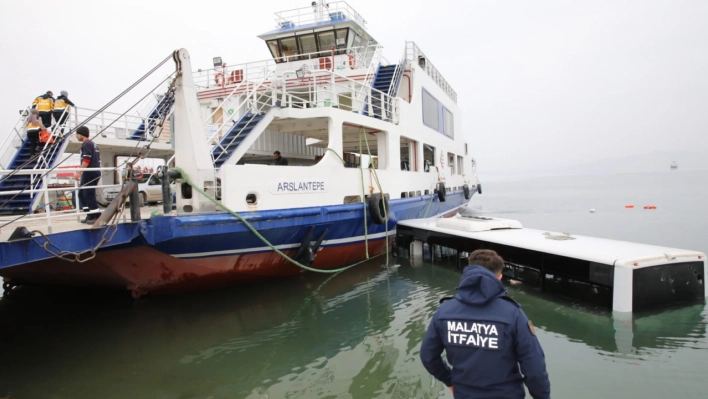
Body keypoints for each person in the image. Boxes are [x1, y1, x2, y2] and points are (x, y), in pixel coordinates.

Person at [420, 249, 551, 399]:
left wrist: (450, 380)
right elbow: (534, 367)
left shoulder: (444, 312)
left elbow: (428, 356)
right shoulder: (513, 313)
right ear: (499, 277)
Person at [74, 126, 102, 223]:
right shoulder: (93, 144)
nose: (76, 136)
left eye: (77, 134)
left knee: (88, 194)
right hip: (92, 171)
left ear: (82, 134)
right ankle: (89, 214)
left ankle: (97, 216)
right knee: (81, 194)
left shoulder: (86, 144)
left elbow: (86, 159)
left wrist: (79, 172)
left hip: (90, 172)